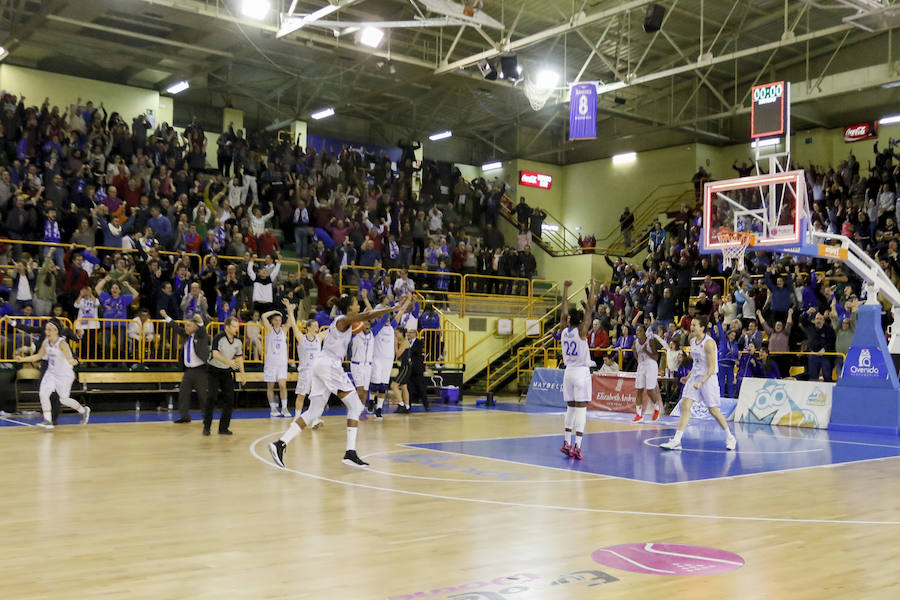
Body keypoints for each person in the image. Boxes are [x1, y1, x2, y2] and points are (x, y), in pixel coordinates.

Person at [269, 294, 409, 469]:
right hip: (329, 365)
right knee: (356, 407)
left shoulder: (347, 324)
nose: (359, 306)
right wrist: (391, 309)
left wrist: (393, 311)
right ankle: (350, 453)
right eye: (357, 303)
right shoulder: (342, 320)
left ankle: (280, 444)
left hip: (321, 365)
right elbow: (366, 316)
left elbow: (365, 321)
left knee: (314, 411)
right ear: (350, 307)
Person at [660, 318, 736, 451]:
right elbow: (696, 364)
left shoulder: (709, 343)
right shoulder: (692, 342)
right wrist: (688, 376)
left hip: (708, 379)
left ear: (702, 327)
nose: (692, 327)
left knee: (713, 410)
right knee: (685, 405)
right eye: (691, 324)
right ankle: (677, 440)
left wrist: (702, 382)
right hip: (695, 377)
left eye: (695, 325)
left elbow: (712, 367)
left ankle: (730, 437)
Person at [15, 319, 90, 429]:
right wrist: (22, 359)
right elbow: (39, 356)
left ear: (56, 331)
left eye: (49, 330)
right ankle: (47, 420)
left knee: (63, 399)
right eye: (46, 330)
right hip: (51, 373)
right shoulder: (46, 342)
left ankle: (83, 410)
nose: (47, 332)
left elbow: (69, 356)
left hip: (64, 375)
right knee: (43, 393)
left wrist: (71, 361)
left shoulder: (62, 343)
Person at [560, 279, 597, 460]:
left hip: (568, 372)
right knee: (582, 409)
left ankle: (566, 442)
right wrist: (593, 287)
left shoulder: (563, 331)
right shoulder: (582, 331)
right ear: (580, 320)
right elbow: (589, 308)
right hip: (581, 372)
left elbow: (563, 311)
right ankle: (577, 446)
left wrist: (565, 289)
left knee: (571, 408)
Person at [161, 311, 208, 424]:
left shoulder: (201, 335)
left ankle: (207, 417)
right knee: (183, 393)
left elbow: (202, 329)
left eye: (189, 325)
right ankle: (185, 416)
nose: (186, 327)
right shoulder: (186, 336)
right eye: (186, 325)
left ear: (195, 327)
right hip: (188, 372)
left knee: (203, 395)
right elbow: (176, 327)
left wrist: (200, 321)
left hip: (200, 371)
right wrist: (166, 316)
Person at [205, 316, 244, 435]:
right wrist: (229, 362)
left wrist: (243, 373)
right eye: (234, 326)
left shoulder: (238, 341)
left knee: (229, 399)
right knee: (211, 397)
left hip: (226, 371)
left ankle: (223, 428)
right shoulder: (218, 337)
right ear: (227, 327)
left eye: (237, 326)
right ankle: (207, 427)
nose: (236, 329)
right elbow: (215, 354)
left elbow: (239, 357)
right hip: (213, 370)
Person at [285, 305, 322, 427]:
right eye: (315, 326)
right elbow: (294, 326)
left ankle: (315, 419)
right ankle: (297, 418)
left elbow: (333, 329)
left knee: (315, 397)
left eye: (317, 325)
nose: (317, 327)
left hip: (316, 372)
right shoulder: (302, 338)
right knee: (301, 395)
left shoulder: (319, 338)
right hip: (305, 372)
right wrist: (290, 311)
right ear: (308, 328)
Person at [368, 297, 396, 420]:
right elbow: (370, 311)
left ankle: (379, 409)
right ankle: (370, 401)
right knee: (375, 385)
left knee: (383, 387)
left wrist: (407, 301)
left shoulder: (392, 326)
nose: (388, 318)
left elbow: (400, 313)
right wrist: (364, 298)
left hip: (388, 360)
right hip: (377, 358)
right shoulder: (377, 326)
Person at [632, 324, 664, 422]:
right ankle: (638, 414)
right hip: (641, 365)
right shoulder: (635, 343)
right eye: (637, 331)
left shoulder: (650, 341)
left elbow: (656, 357)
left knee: (650, 390)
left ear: (644, 332)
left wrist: (646, 351)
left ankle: (657, 408)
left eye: (640, 331)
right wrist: (641, 362)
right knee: (639, 390)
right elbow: (637, 357)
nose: (638, 333)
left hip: (651, 364)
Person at [262, 306, 290, 417]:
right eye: (276, 320)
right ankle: (273, 409)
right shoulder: (269, 329)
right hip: (271, 364)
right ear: (272, 321)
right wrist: (273, 311)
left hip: (282, 364)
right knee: (271, 386)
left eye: (279, 320)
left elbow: (291, 321)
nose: (278, 322)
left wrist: (289, 310)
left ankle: (284, 408)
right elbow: (263, 316)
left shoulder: (284, 330)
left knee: (283, 385)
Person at [349, 310, 375, 419]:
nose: (367, 325)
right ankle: (356, 409)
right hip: (357, 364)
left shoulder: (373, 333)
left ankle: (361, 410)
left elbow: (382, 320)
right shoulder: (355, 334)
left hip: (368, 365)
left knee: (365, 390)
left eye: (368, 323)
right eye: (364, 323)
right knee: (359, 390)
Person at [391, 327, 412, 414]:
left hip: (405, 367)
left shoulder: (405, 342)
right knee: (404, 387)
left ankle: (401, 404)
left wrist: (395, 345)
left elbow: (398, 354)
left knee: (393, 385)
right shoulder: (402, 342)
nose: (395, 335)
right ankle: (407, 407)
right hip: (402, 366)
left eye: (397, 333)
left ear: (401, 333)